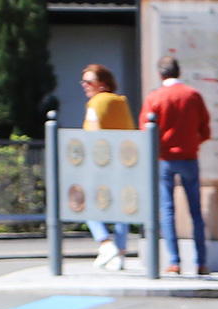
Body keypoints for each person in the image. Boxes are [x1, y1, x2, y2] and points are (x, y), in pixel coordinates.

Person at [141, 57, 211, 275]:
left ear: (160, 74)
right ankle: (200, 262)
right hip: (189, 158)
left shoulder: (155, 98)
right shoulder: (193, 95)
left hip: (164, 160)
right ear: (178, 72)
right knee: (196, 212)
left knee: (167, 210)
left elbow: (146, 131)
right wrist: (192, 143)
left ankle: (174, 261)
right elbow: (205, 129)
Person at [79, 65, 133, 271]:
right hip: (125, 162)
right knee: (122, 208)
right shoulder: (121, 101)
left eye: (89, 81)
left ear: (103, 83)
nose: (85, 86)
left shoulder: (95, 103)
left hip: (101, 163)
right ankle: (119, 253)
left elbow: (94, 134)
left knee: (86, 201)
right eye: (83, 81)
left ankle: (105, 243)